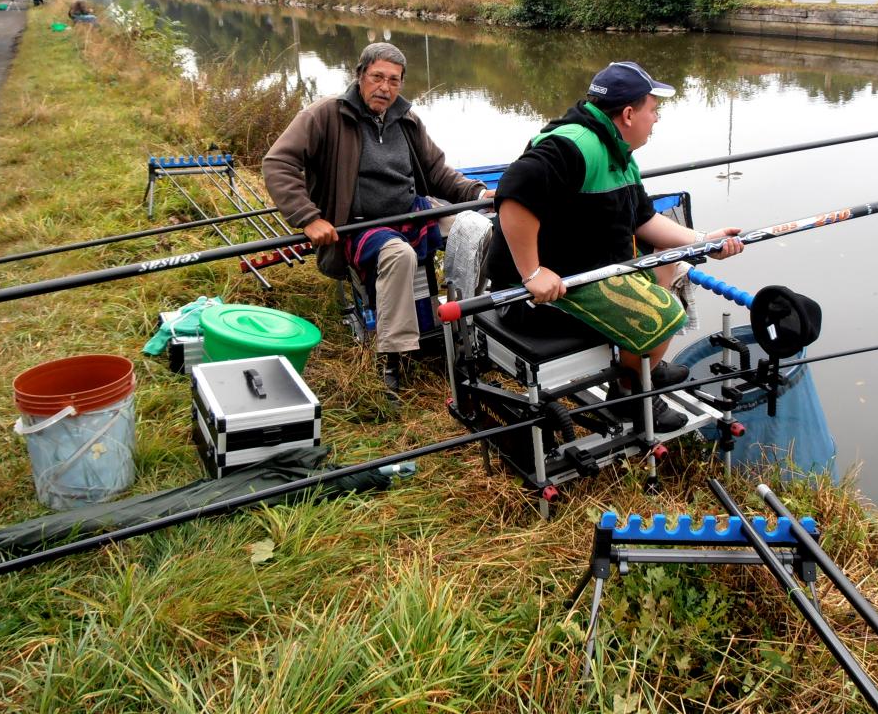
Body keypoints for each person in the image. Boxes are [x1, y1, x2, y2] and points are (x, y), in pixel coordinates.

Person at [484, 61, 743, 432]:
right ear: (627, 114)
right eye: (653, 110)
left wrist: (704, 241)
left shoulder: (618, 152)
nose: (656, 119)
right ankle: (629, 396)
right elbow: (512, 196)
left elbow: (644, 219)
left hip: (589, 270)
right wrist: (533, 272)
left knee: (668, 260)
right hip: (533, 296)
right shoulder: (574, 145)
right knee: (667, 315)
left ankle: (643, 367)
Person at [264, 42, 491, 397]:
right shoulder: (325, 114)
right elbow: (278, 163)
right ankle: (394, 356)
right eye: (377, 78)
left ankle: (463, 320)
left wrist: (479, 195)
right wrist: (308, 217)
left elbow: (437, 172)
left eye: (394, 81)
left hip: (412, 210)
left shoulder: (407, 119)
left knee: (478, 230)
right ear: (359, 76)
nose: (385, 88)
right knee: (398, 255)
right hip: (359, 223)